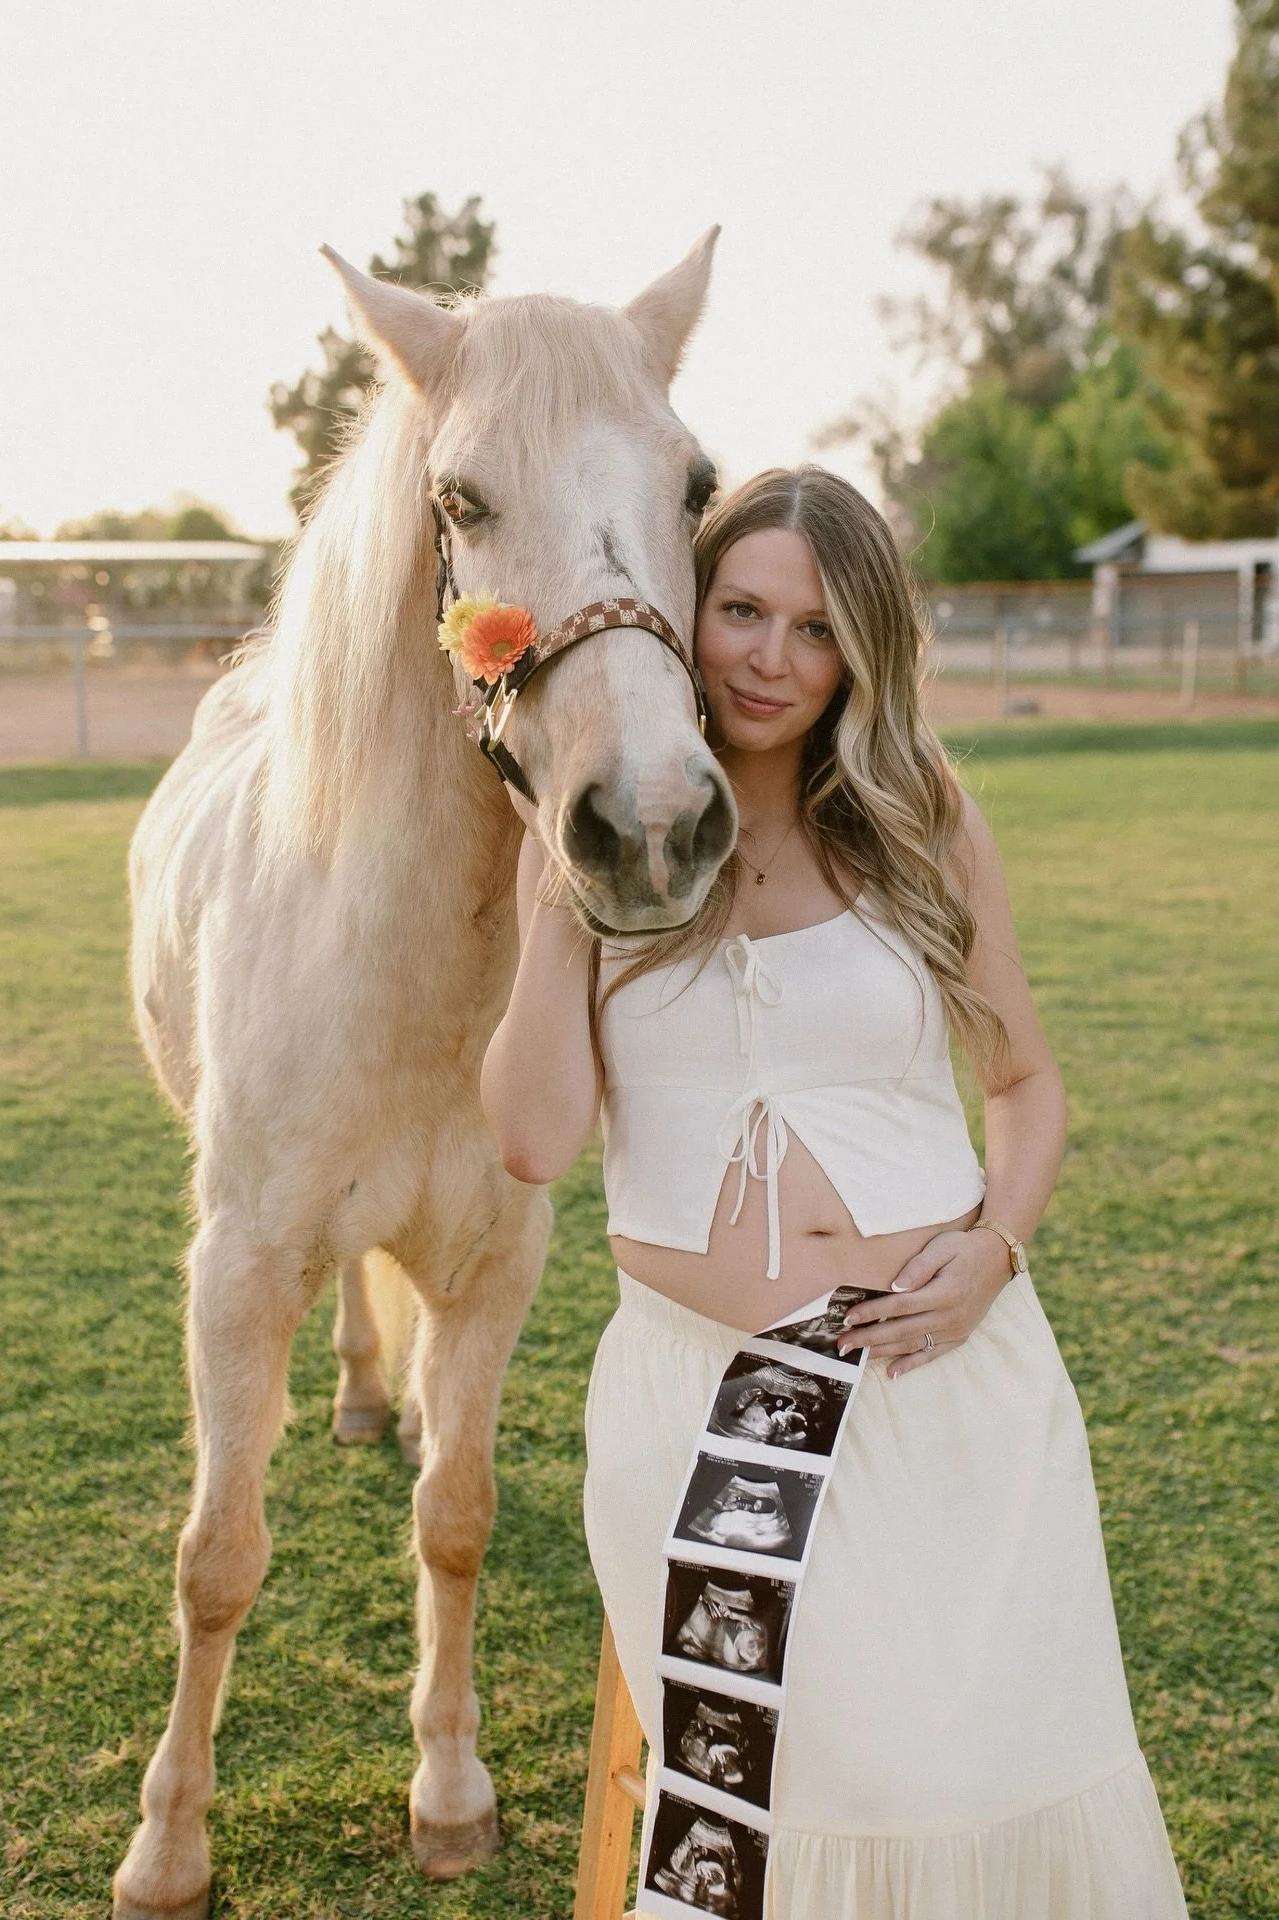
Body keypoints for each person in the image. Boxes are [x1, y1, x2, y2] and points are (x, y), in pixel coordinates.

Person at [481, 467, 1187, 1917]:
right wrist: (569, 869)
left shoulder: (917, 810)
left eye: (814, 630)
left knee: (937, 1775)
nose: (768, 657)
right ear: (690, 613)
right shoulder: (617, 832)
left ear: (861, 651)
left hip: (929, 1383)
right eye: (740, 609)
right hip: (691, 1405)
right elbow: (535, 1144)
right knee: (814, 1787)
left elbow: (1026, 1086)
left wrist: (994, 1248)